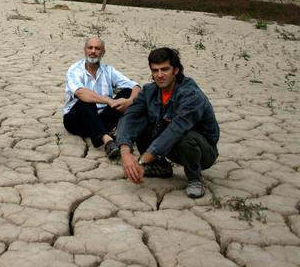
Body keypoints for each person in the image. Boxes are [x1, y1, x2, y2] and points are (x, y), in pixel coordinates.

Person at [116, 47, 219, 198]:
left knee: (185, 137)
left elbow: (177, 129)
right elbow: (131, 116)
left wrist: (142, 160)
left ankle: (195, 178)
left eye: (165, 69)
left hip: (202, 151)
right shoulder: (149, 91)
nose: (160, 75)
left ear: (176, 70)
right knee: (141, 119)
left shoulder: (190, 94)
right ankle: (160, 166)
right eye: (155, 70)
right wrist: (125, 151)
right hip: (168, 145)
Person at [63, 37, 141, 158]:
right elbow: (80, 93)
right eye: (90, 48)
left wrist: (129, 101)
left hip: (102, 118)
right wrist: (109, 100)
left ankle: (115, 131)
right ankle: (108, 141)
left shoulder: (108, 70)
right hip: (77, 120)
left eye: (97, 48)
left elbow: (136, 86)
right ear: (84, 50)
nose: (93, 51)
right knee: (86, 99)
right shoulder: (75, 70)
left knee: (127, 92)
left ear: (103, 52)